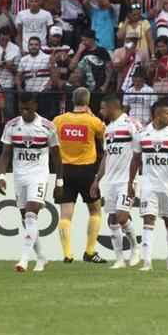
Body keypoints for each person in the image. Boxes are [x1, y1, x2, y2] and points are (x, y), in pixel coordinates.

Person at [0, 92, 62, 273]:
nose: (25, 112)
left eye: (28, 108)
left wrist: (59, 181)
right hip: (19, 176)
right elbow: (5, 154)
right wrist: (2, 176)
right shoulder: (11, 126)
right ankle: (41, 257)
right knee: (25, 219)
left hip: (39, 175)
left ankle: (24, 260)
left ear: (35, 106)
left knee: (31, 214)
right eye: (22, 108)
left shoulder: (47, 127)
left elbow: (57, 157)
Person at [51, 88, 107, 263]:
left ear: (72, 100)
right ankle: (90, 251)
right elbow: (106, 135)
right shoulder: (93, 121)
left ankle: (67, 254)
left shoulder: (58, 121)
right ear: (88, 101)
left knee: (65, 215)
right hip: (87, 171)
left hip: (65, 170)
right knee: (95, 211)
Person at [131, 97, 168, 272]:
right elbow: (135, 160)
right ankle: (146, 261)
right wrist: (130, 181)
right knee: (148, 219)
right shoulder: (142, 134)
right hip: (148, 184)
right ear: (158, 115)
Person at [90, 93, 141, 270]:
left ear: (112, 107)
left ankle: (135, 248)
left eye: (103, 107)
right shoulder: (108, 129)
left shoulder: (132, 125)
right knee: (112, 219)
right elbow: (106, 156)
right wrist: (97, 180)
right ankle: (119, 258)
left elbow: (139, 151)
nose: (100, 111)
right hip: (110, 181)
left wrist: (135, 177)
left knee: (121, 216)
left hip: (126, 179)